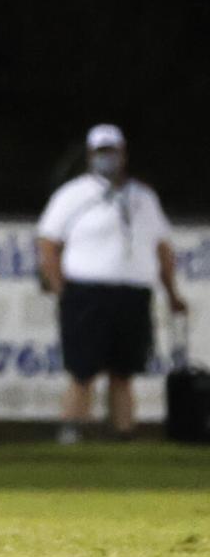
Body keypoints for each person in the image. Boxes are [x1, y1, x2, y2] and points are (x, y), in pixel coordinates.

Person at [37, 124, 188, 443]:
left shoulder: (143, 197)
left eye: (113, 151)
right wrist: (61, 288)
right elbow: (48, 243)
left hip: (133, 293)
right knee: (83, 369)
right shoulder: (73, 194)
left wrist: (172, 292)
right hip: (87, 292)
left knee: (124, 370)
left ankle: (123, 434)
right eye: (101, 152)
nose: (108, 158)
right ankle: (72, 429)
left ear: (124, 154)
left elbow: (162, 247)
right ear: (90, 155)